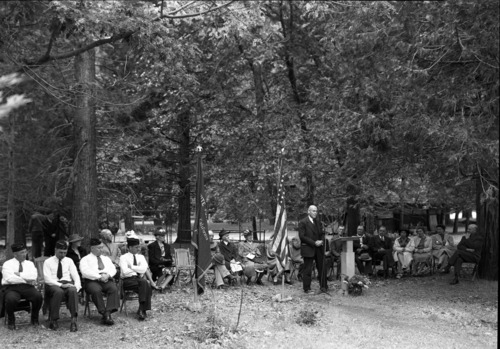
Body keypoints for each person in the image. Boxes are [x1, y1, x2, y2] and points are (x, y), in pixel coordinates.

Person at [0, 243, 43, 330]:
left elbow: (34, 276)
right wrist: (26, 279)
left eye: (25, 252)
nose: (25, 254)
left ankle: (34, 318)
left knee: (38, 296)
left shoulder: (29, 264)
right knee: (11, 299)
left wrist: (20, 274)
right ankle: (11, 321)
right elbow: (9, 278)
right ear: (15, 254)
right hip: (12, 288)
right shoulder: (7, 264)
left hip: (27, 287)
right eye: (22, 253)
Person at [80, 238, 120, 325]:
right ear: (92, 248)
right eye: (99, 248)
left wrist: (108, 275)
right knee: (96, 290)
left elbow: (113, 269)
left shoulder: (106, 259)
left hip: (106, 278)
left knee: (113, 288)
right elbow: (85, 272)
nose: (101, 250)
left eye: (102, 247)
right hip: (92, 281)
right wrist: (98, 277)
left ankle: (108, 312)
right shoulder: (85, 259)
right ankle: (103, 312)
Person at [43, 240, 80, 331]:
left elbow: (75, 275)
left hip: (66, 283)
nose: (63, 255)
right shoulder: (48, 262)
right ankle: (54, 319)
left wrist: (77, 286)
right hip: (53, 284)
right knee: (58, 291)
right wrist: (60, 285)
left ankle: (73, 320)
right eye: (60, 252)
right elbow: (47, 279)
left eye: (65, 253)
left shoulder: (69, 261)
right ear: (55, 250)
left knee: (72, 290)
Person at [119, 238, 152, 320]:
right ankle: (142, 310)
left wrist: (132, 267)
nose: (138, 249)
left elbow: (144, 269)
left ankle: (141, 310)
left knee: (144, 284)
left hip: (139, 279)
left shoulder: (141, 257)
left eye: (139, 247)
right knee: (146, 285)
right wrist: (138, 268)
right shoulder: (123, 257)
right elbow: (125, 271)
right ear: (129, 247)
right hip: (128, 280)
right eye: (136, 247)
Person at [298, 205, 327, 294]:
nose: (315, 213)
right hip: (308, 248)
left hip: (318, 249)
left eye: (316, 211)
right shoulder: (303, 222)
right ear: (308, 212)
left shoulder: (318, 222)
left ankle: (324, 287)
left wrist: (321, 241)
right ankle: (307, 288)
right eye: (313, 211)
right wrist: (314, 242)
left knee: (322, 268)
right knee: (308, 269)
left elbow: (322, 233)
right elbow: (302, 236)